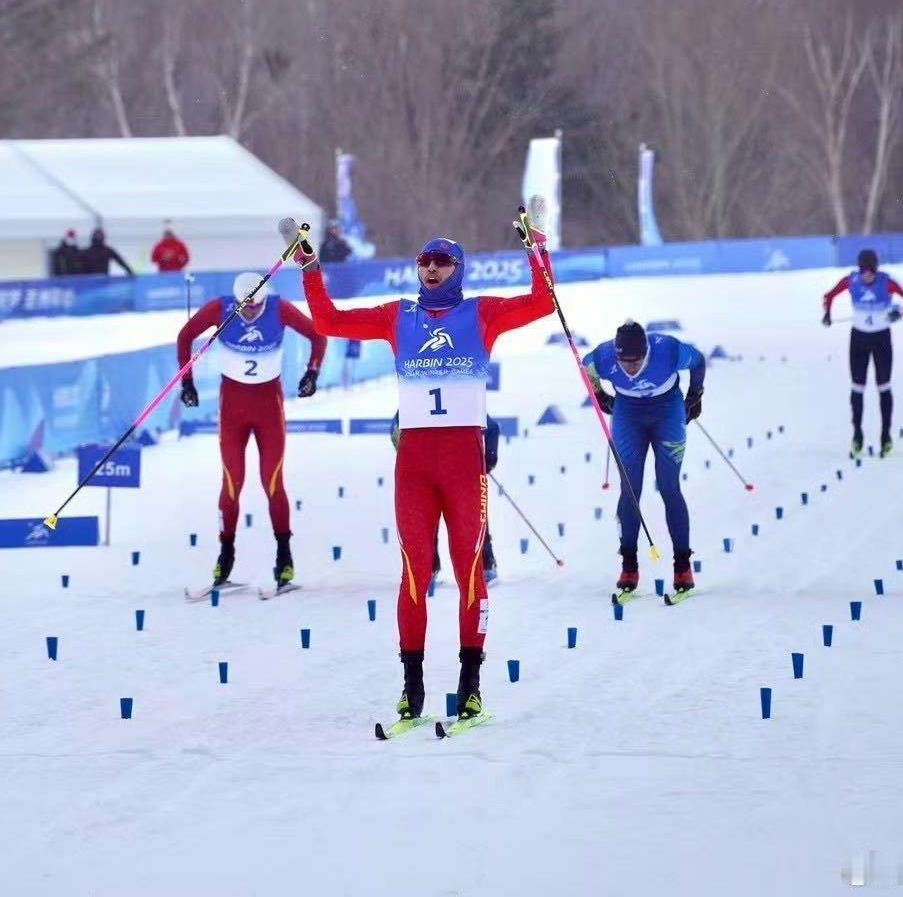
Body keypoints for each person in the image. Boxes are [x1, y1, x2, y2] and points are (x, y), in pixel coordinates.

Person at [283, 216, 554, 725]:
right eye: (424, 262)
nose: (430, 270)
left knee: (470, 572)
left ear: (458, 269)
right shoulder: (397, 316)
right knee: (412, 572)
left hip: (462, 460)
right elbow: (327, 322)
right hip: (415, 463)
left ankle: (471, 687)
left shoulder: (482, 313)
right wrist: (310, 268)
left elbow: (542, 303)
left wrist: (537, 248)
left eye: (441, 262)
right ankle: (412, 688)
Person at [177, 271, 326, 591]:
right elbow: (185, 335)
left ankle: (284, 559)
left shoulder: (279, 308)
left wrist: (311, 373)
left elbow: (318, 335)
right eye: (245, 308)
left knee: (272, 481)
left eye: (255, 307)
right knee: (232, 483)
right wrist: (186, 382)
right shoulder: (221, 309)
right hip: (232, 410)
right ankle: (225, 557)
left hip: (268, 409)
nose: (250, 313)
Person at [583, 321, 705, 596]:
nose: (631, 368)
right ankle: (629, 565)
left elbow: (698, 361)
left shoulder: (668, 350)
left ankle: (682, 565)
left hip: (668, 413)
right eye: (624, 363)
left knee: (669, 486)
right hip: (628, 415)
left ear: (647, 351)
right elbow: (585, 367)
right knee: (630, 489)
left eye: (636, 361)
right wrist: (600, 395)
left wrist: (695, 395)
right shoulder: (604, 357)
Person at [822, 248, 903, 459]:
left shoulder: (888, 281)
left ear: (876, 269)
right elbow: (828, 296)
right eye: (864, 272)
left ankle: (886, 437)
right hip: (858, 341)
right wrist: (827, 315)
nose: (867, 276)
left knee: (883, 387)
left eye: (871, 272)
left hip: (881, 340)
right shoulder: (850, 280)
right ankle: (857, 437)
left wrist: (898, 313)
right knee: (857, 388)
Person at [390, 412, 501, 583]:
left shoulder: (460, 399)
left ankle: (486, 565)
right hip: (429, 473)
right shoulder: (414, 402)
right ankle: (429, 570)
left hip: (462, 472)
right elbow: (395, 431)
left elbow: (492, 428)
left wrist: (486, 459)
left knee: (474, 520)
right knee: (428, 521)